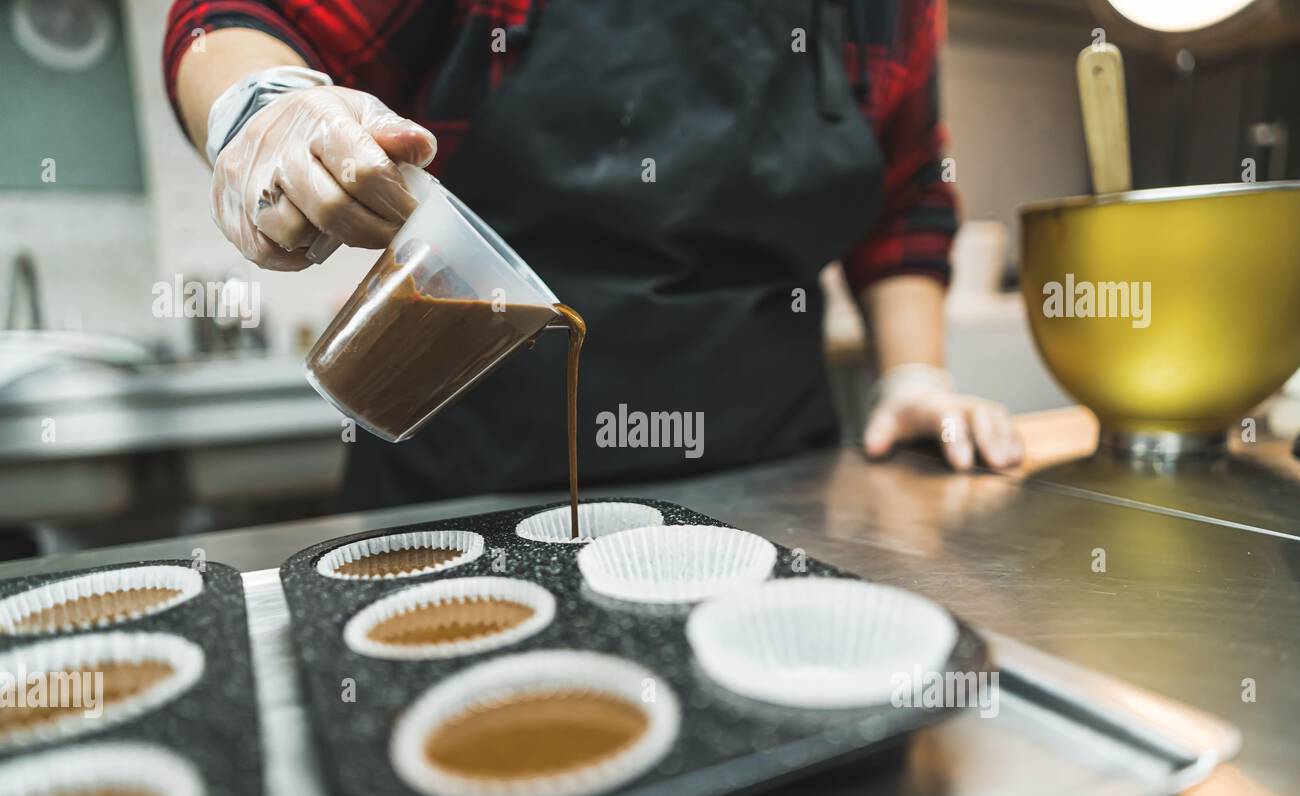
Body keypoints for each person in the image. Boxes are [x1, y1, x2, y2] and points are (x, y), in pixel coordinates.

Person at [165, 0, 1023, 511]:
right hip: (466, 483)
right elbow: (245, 17)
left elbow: (906, 197)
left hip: (776, 483)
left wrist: (915, 376)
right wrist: (267, 107)